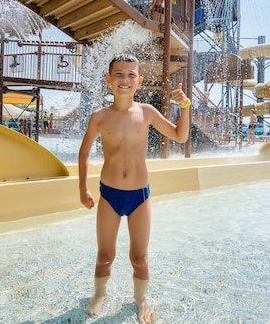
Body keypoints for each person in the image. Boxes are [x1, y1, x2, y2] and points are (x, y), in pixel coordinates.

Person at [78, 54, 190, 323]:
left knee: (139, 257)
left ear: (139, 81)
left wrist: (184, 106)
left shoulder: (146, 113)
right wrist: (83, 189)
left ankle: (141, 300)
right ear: (108, 79)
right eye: (118, 74)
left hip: (139, 196)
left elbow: (180, 136)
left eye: (131, 75)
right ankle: (100, 294)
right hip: (109, 195)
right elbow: (83, 154)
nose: (124, 80)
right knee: (105, 255)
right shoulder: (99, 117)